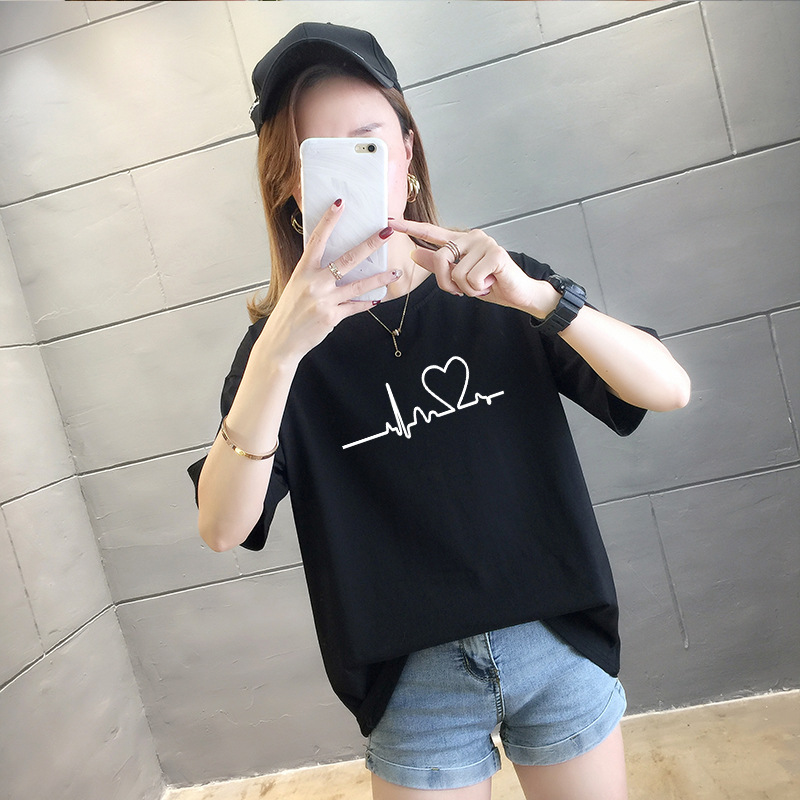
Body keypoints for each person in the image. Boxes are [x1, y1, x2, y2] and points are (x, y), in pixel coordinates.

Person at [188, 21, 690, 800]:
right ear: (290, 183)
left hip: (556, 644)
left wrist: (537, 299)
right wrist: (278, 354)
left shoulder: (500, 288)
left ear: (408, 151)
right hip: (414, 688)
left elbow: (668, 389)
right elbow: (222, 528)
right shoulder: (276, 354)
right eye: (323, 156)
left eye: (369, 143)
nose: (354, 174)